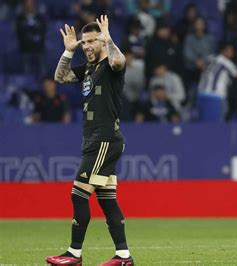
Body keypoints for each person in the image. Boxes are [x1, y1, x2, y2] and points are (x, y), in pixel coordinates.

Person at [45, 15, 133, 265]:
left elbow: (119, 61)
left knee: (78, 194)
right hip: (95, 140)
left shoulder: (111, 65)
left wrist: (110, 39)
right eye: (85, 43)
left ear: (102, 42)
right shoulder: (89, 69)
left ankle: (74, 253)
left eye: (93, 41)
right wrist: (68, 52)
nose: (88, 46)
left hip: (104, 139)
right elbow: (60, 77)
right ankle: (124, 257)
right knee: (107, 200)